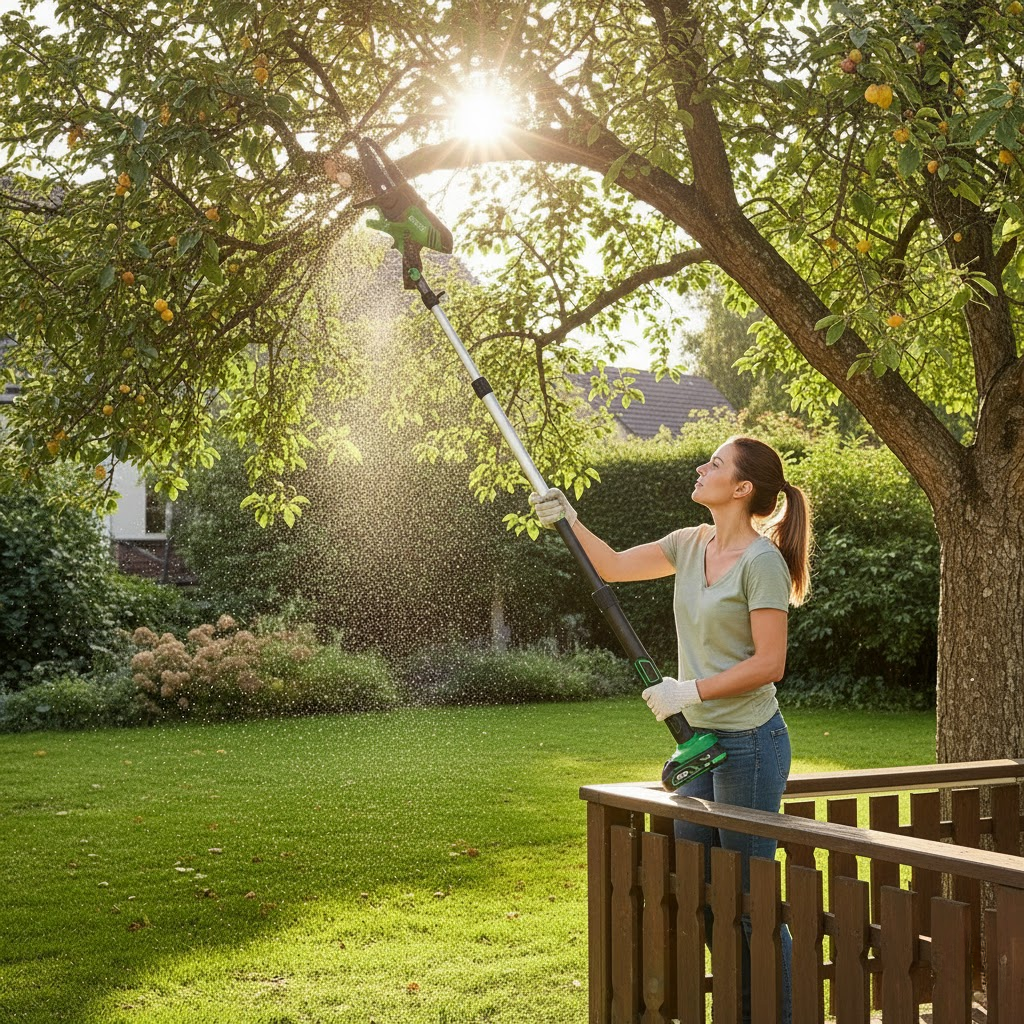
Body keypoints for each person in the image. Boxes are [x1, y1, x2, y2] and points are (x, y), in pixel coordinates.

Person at [530, 435, 811, 1024]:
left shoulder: (762, 563)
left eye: (715, 463)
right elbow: (611, 566)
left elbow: (770, 664)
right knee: (702, 899)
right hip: (697, 746)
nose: (701, 467)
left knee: (750, 902)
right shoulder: (689, 544)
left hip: (749, 745)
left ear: (742, 488)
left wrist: (690, 691)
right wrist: (570, 519)